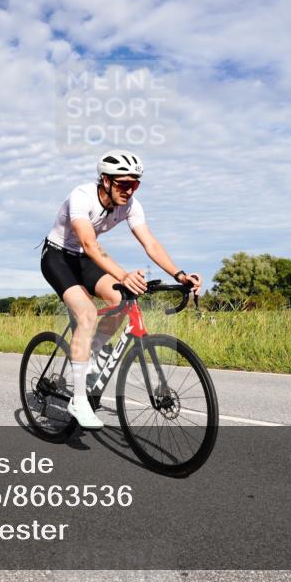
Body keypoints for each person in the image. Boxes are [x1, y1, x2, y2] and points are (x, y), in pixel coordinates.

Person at [41, 149, 202, 430]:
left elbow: (150, 243)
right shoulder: (81, 196)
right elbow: (90, 244)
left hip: (82, 259)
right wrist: (124, 274)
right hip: (58, 257)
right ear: (105, 180)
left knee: (121, 299)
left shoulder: (131, 205)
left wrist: (179, 274)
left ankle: (90, 350)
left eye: (135, 184)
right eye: (124, 184)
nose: (130, 190)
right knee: (87, 314)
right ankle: (78, 400)